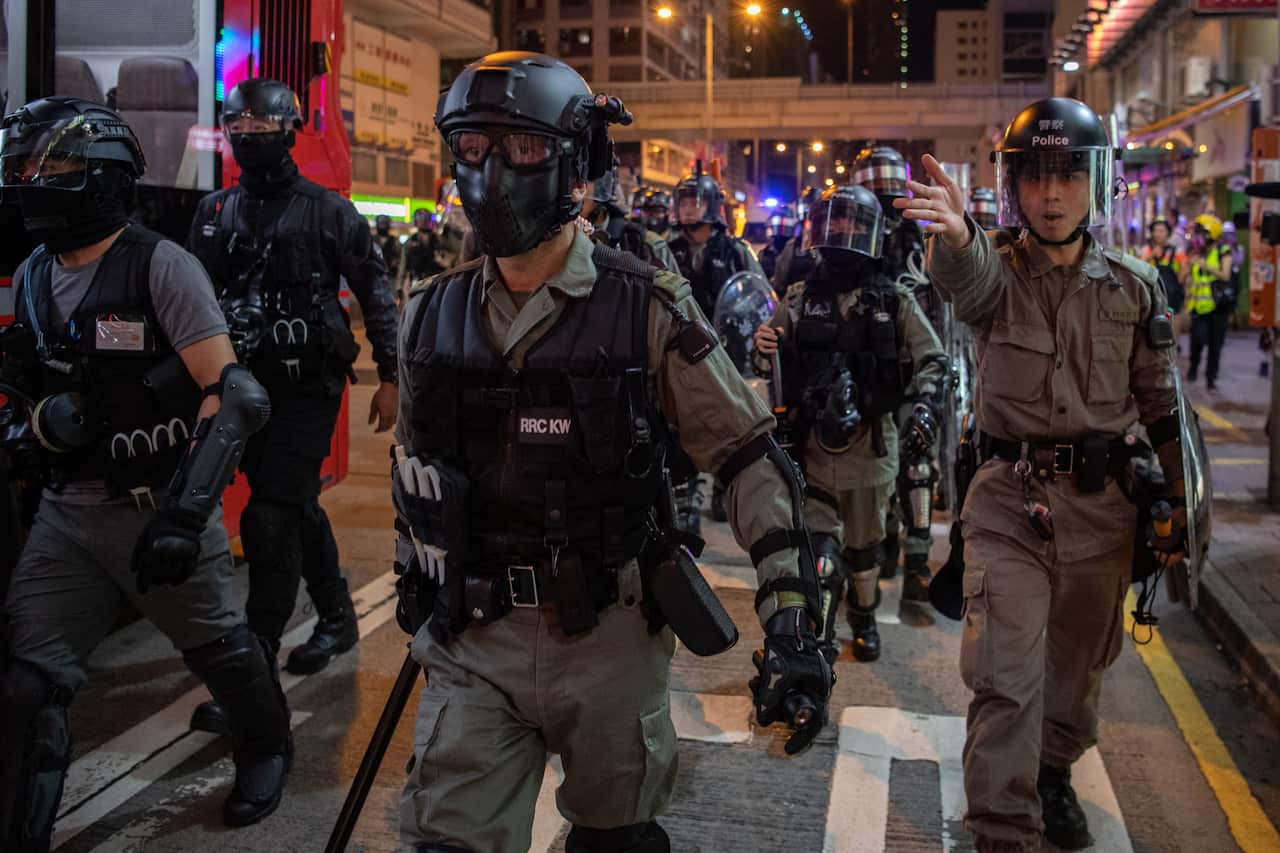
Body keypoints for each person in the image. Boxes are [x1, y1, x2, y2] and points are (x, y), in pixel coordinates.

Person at [395, 51, 832, 853]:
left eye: (521, 148)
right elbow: (415, 471)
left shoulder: (646, 307)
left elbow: (749, 458)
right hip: (473, 639)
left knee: (616, 839)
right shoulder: (430, 314)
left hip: (607, 639)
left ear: (575, 164)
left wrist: (794, 619)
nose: (492, 172)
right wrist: (413, 574)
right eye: (473, 146)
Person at [0, 97, 292, 849]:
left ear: (103, 178)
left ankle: (266, 745)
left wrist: (186, 515)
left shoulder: (161, 264)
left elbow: (231, 394)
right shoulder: (34, 274)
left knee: (221, 650)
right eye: (25, 167)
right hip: (68, 517)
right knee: (27, 686)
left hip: (157, 504)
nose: (31, 181)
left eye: (51, 168)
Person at [911, 98, 1185, 853]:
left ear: (1098, 183)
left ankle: (1055, 771)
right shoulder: (997, 270)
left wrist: (1183, 505)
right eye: (1035, 177)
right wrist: (961, 233)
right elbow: (964, 282)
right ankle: (1004, 828)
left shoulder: (1135, 286)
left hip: (1104, 512)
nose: (1052, 194)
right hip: (1008, 502)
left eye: (1068, 175)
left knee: (1077, 668)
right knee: (1004, 672)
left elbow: (1164, 408)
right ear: (1014, 187)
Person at [186, 78, 400, 691]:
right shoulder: (212, 212)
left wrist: (390, 378)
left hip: (308, 390)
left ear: (290, 130)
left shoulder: (330, 210)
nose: (249, 135)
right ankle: (337, 616)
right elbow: (188, 301)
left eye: (262, 125)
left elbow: (375, 293)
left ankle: (254, 666)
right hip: (236, 390)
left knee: (270, 518)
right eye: (240, 125)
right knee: (293, 505)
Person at [753, 184, 946, 663]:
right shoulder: (798, 298)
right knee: (818, 552)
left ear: (872, 234)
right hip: (812, 448)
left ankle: (863, 618)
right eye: (833, 222)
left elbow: (934, 362)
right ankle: (818, 636)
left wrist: (924, 408)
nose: (841, 231)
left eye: (852, 223)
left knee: (865, 553)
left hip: (873, 450)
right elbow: (764, 363)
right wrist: (763, 349)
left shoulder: (895, 301)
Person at [854, 144, 942, 589]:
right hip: (867, 367)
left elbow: (945, 298)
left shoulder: (925, 238)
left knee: (918, 462)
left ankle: (919, 558)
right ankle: (885, 542)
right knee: (876, 461)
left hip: (914, 365)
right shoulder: (850, 232)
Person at [581, 159, 679, 272]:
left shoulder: (643, 244)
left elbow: (677, 288)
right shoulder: (565, 235)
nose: (648, 216)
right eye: (643, 210)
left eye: (584, 179)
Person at [1185, 213, 1234, 391]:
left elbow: (1226, 275)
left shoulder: (1223, 252)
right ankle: (1193, 367)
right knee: (1197, 341)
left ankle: (1210, 379)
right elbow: (1189, 279)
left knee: (1215, 346)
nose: (1199, 238)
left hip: (1218, 307)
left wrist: (1206, 266)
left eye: (1202, 233)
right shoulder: (1196, 253)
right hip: (1198, 307)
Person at [1141, 218, 1187, 322]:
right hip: (1151, 294)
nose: (1157, 234)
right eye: (1155, 231)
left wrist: (1178, 282)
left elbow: (1185, 268)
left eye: (1161, 231)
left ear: (1168, 233)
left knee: (1172, 320)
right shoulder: (1146, 249)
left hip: (1171, 296)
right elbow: (1139, 264)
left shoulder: (1176, 250)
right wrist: (1151, 255)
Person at [399, 207, 446, 298]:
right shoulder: (411, 241)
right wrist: (399, 287)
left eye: (426, 219)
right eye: (421, 219)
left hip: (436, 281)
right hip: (416, 281)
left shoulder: (439, 240)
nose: (423, 221)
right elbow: (403, 265)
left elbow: (454, 253)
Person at [374, 213, 402, 284]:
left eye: (384, 224)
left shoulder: (395, 241)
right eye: (381, 224)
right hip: (374, 277)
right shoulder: (371, 240)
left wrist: (396, 262)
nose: (382, 226)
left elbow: (401, 258)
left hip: (391, 277)